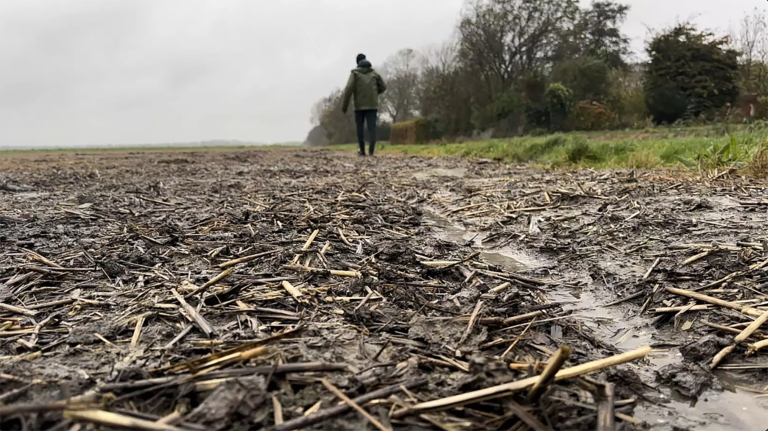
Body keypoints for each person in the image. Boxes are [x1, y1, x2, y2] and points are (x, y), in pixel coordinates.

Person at [341, 54, 386, 156]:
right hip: (372, 105)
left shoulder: (355, 73)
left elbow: (348, 89)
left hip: (359, 106)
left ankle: (362, 150)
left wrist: (345, 106)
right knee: (372, 128)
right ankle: (371, 151)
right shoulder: (374, 73)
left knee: (360, 128)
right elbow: (383, 87)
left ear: (357, 63)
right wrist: (374, 93)